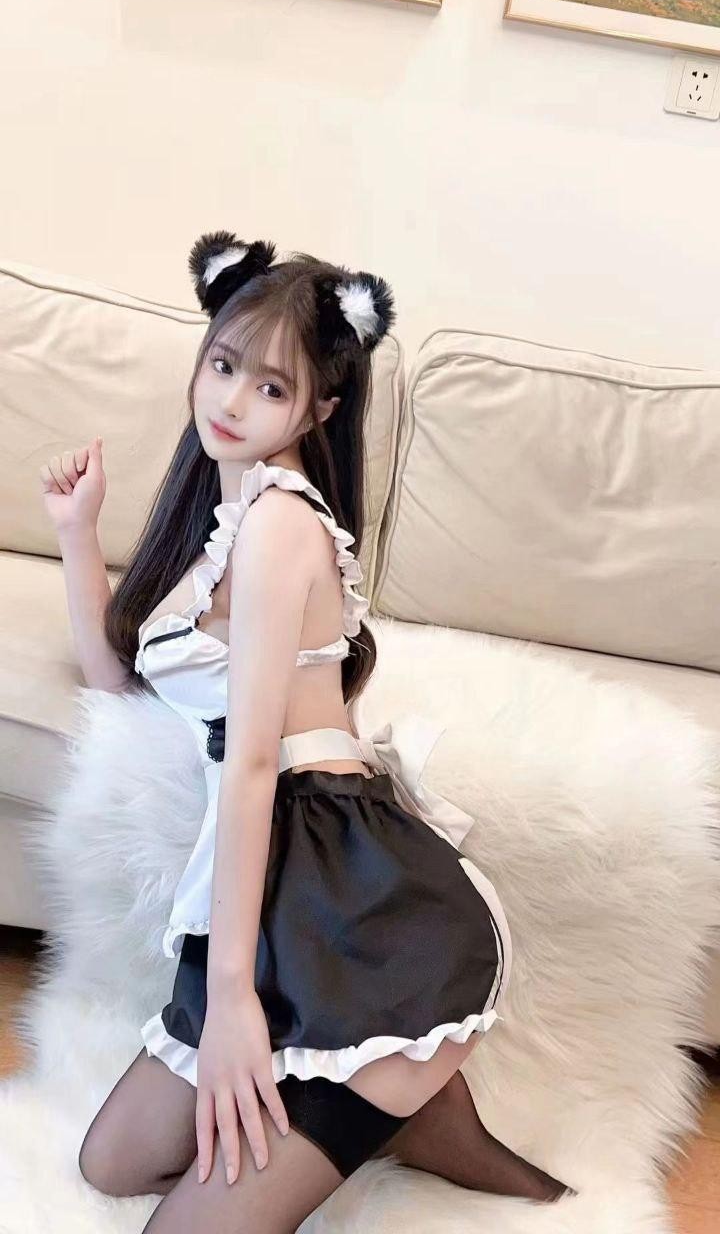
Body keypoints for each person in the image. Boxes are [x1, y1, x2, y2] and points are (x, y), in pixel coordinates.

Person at [39, 231, 577, 1231]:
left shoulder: (282, 525)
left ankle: (399, 1085)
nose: (232, 401)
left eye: (272, 387)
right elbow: (121, 684)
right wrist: (77, 533)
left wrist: (233, 999)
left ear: (322, 408)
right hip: (277, 880)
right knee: (111, 1162)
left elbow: (252, 765)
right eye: (223, 364)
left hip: (349, 893)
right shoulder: (220, 530)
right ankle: (400, 1108)